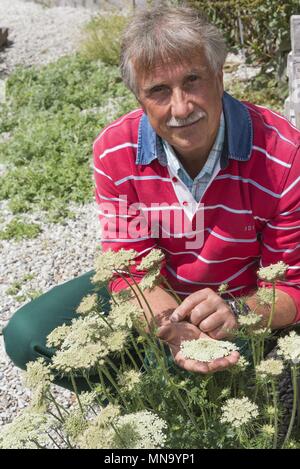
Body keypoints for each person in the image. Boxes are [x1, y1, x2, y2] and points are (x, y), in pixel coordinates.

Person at [3, 5, 300, 386]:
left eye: (193, 80)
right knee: (28, 334)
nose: (181, 107)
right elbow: (129, 268)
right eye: (159, 90)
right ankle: (140, 401)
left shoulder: (283, 155)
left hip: (241, 303)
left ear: (220, 76)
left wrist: (237, 311)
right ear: (138, 97)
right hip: (159, 294)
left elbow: (291, 286)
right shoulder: (115, 150)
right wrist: (169, 325)